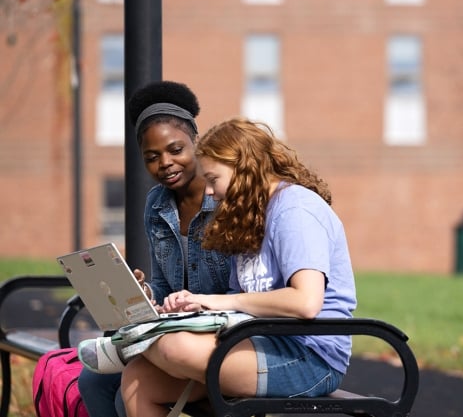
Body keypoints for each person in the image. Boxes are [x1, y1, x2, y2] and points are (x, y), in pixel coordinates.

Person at [115, 117, 358, 416]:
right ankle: (131, 343)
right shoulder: (249, 217)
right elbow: (238, 301)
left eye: (213, 179)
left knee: (170, 347)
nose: (209, 192)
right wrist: (192, 308)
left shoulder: (296, 209)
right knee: (138, 378)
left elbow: (306, 302)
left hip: (309, 357)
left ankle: (125, 345)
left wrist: (215, 300)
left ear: (244, 167)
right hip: (258, 341)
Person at [77, 81, 231, 417]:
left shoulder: (225, 201)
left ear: (197, 143)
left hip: (221, 336)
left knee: (128, 392)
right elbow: (165, 288)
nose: (165, 163)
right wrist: (144, 293)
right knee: (92, 381)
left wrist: (190, 311)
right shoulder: (156, 205)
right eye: (152, 157)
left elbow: (242, 290)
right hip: (177, 331)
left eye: (176, 150)